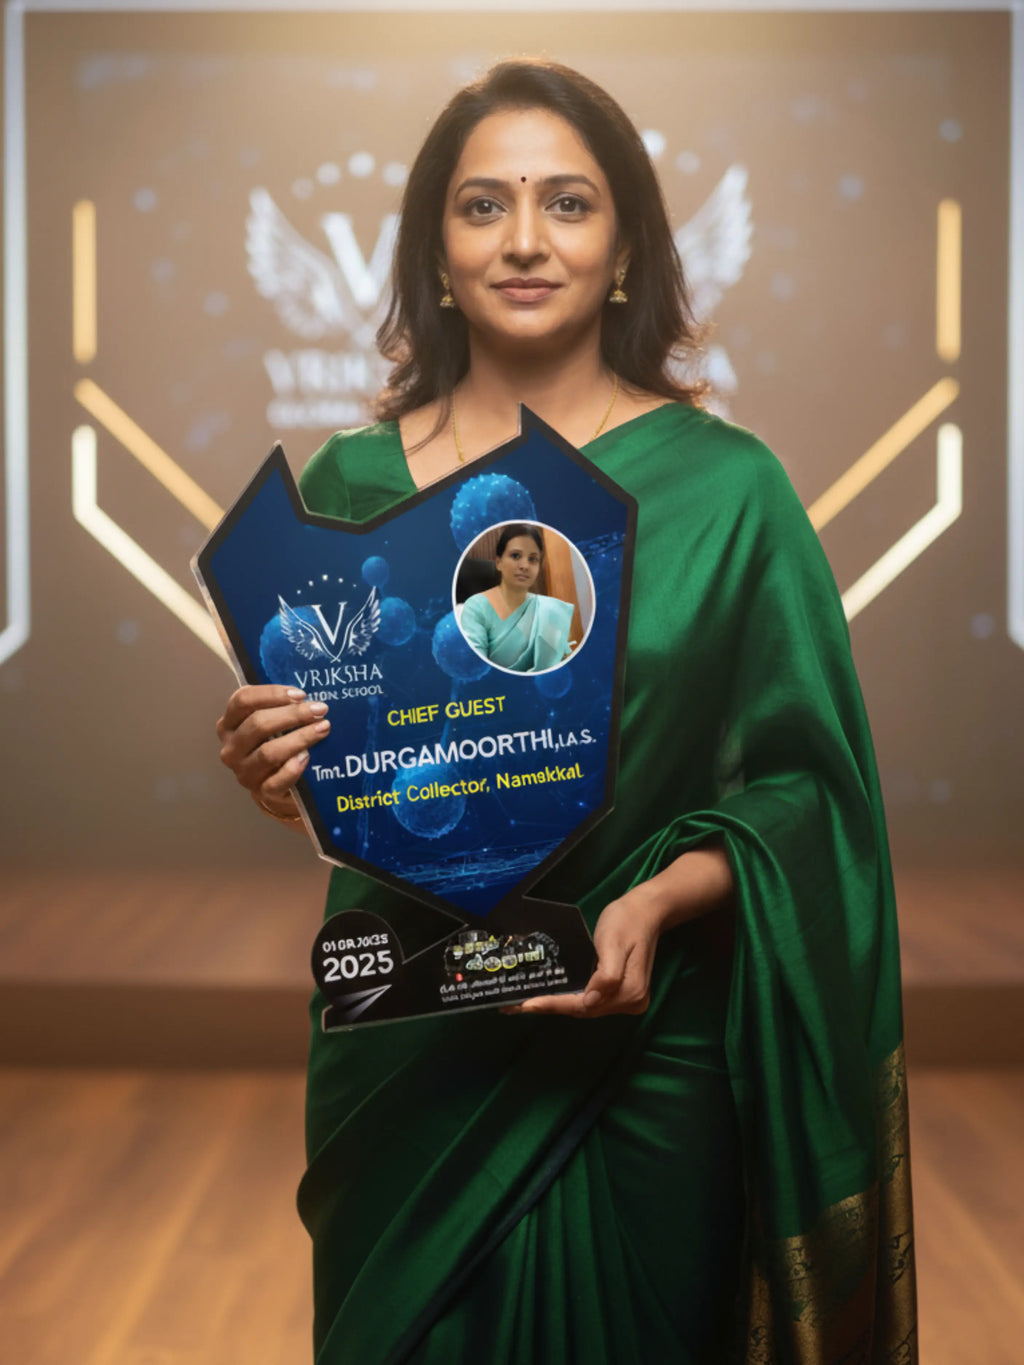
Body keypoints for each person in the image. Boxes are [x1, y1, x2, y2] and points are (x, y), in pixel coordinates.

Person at [215, 59, 917, 1364]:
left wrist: (656, 899)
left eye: (568, 204)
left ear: (627, 247)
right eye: (483, 205)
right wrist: (278, 768)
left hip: (643, 1063)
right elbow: (348, 767)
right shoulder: (346, 486)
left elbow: (808, 795)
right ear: (433, 250)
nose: (525, 239)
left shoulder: (731, 492)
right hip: (410, 1051)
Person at [459, 522, 575, 672]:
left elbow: (561, 665)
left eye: (533, 559)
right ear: (499, 562)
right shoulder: (476, 607)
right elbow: (476, 666)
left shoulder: (552, 610)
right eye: (515, 556)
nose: (525, 566)